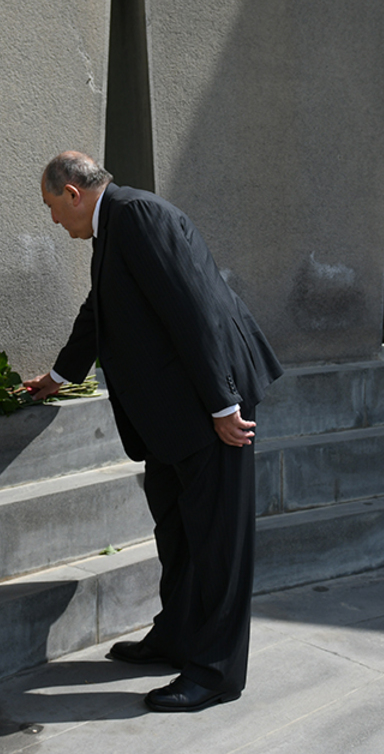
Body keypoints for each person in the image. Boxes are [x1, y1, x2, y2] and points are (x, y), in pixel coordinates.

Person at [24, 151, 283, 712]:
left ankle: (214, 672)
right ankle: (179, 635)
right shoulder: (113, 225)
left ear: (72, 193)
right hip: (172, 416)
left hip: (207, 408)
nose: (52, 221)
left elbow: (194, 310)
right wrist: (61, 375)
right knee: (178, 533)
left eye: (51, 207)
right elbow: (102, 310)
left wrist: (222, 404)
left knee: (218, 545)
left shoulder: (137, 216)